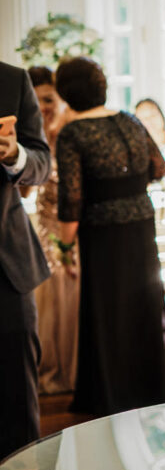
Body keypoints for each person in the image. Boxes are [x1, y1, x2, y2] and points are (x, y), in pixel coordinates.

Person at [54, 57, 165, 416]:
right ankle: (153, 387)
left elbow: (72, 200)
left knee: (106, 309)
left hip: (102, 233)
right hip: (141, 225)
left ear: (65, 93)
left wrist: (65, 246)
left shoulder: (72, 133)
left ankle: (112, 394)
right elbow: (159, 168)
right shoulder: (129, 119)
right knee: (144, 304)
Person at [0, 61, 52, 461]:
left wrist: (15, 154)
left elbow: (41, 164)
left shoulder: (12, 80)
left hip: (6, 268)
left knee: (18, 405)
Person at [26, 66, 80, 395]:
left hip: (73, 226)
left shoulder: (72, 131)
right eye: (35, 100)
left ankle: (75, 371)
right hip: (45, 226)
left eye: (47, 98)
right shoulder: (35, 136)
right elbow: (26, 191)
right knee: (47, 298)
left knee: (72, 296)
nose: (42, 106)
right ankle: (52, 370)